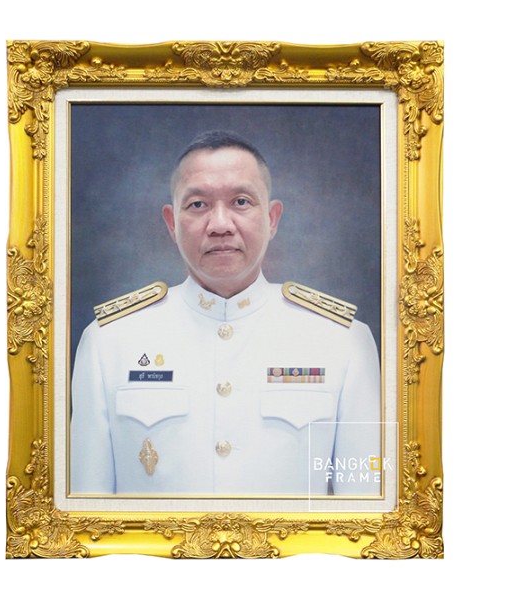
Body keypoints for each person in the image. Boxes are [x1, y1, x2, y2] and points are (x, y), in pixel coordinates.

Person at [70, 130, 381, 496]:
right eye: (197, 205)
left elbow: (367, 507)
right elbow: (84, 512)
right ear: (171, 223)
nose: (219, 225)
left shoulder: (344, 343)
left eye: (241, 201)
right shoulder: (108, 343)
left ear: (272, 218)